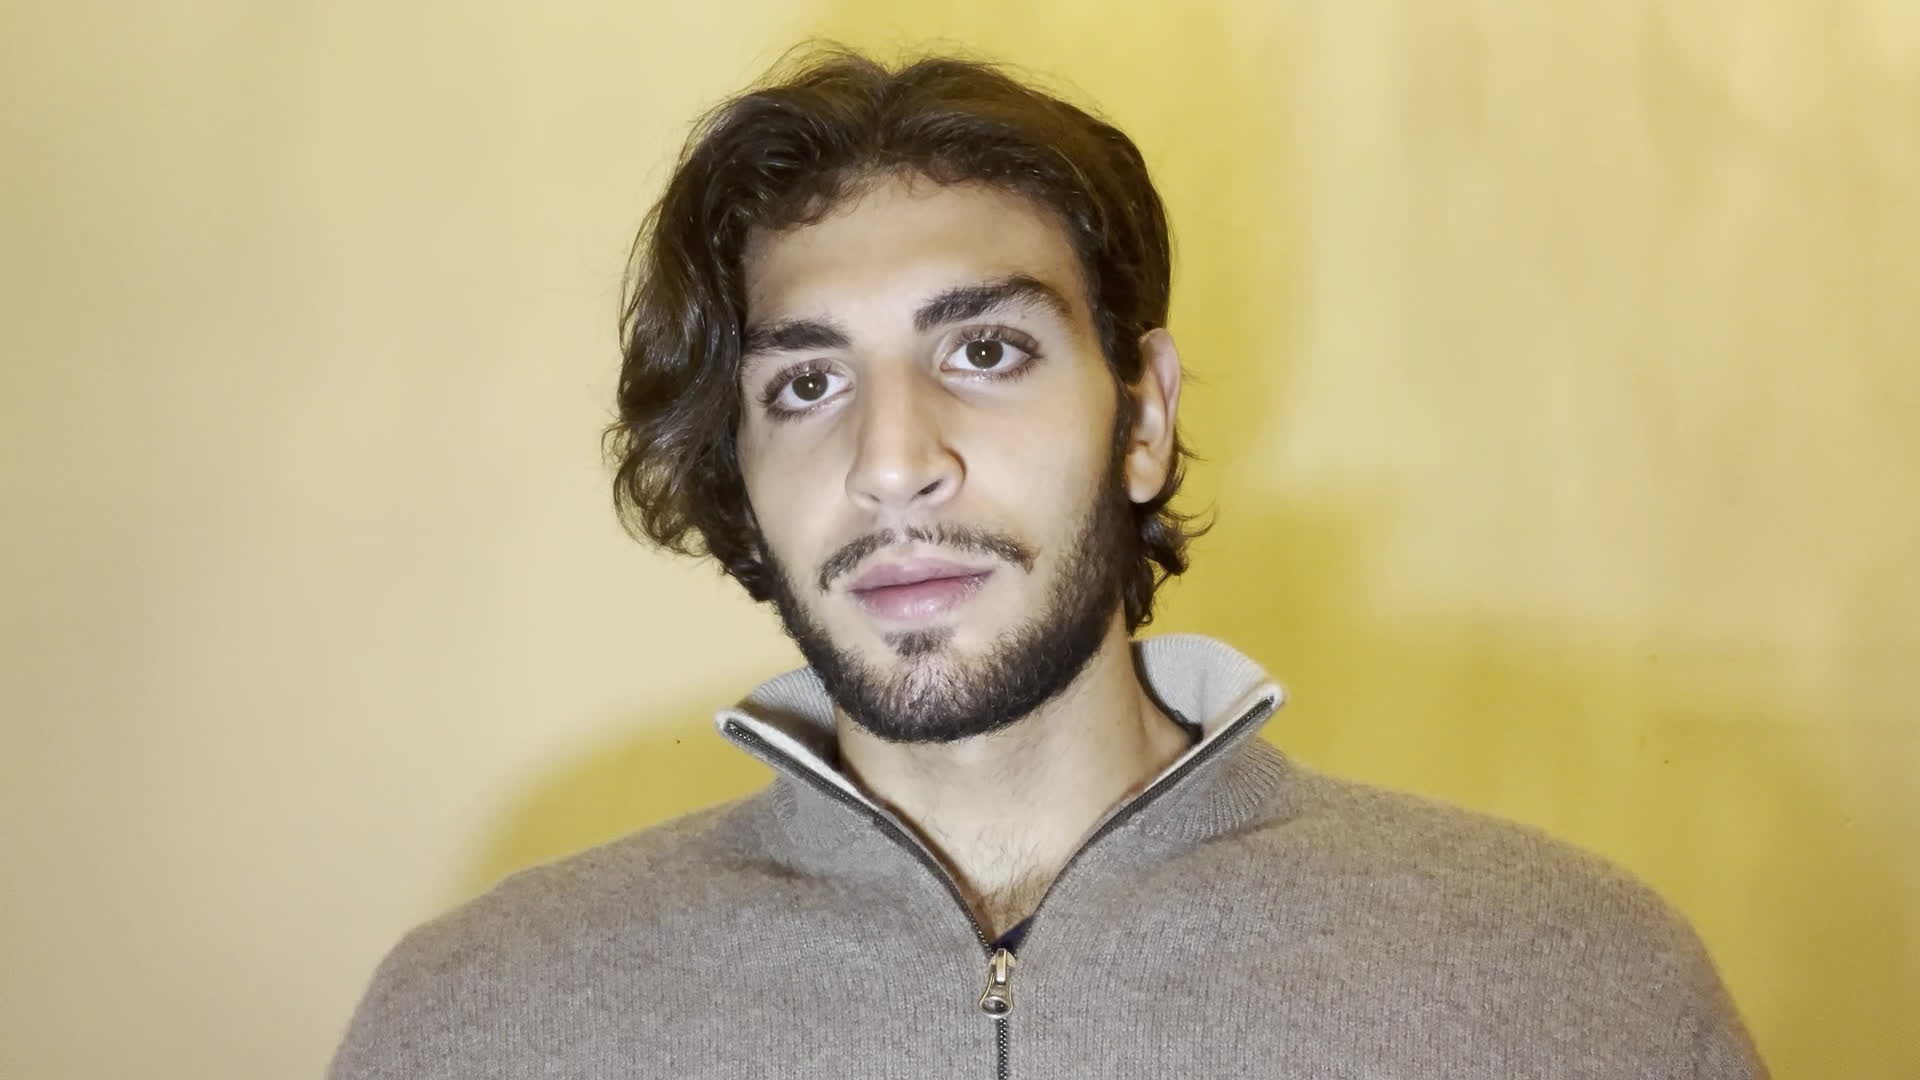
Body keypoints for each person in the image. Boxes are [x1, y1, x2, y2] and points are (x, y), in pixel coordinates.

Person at [329, 48, 1766, 1079]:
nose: (895, 460)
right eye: (807, 384)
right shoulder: (479, 1019)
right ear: (745, 482)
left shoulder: (1575, 986)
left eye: (985, 350)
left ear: (1142, 421)